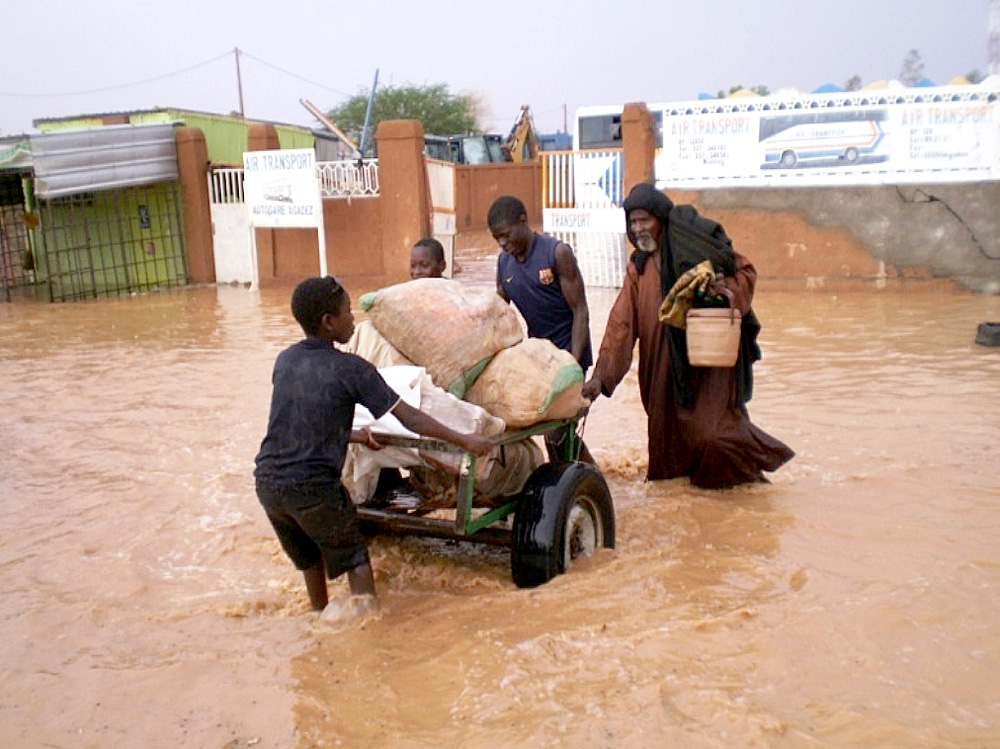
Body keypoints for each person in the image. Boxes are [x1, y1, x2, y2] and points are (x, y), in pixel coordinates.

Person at [254, 276, 491, 616]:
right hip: (313, 486)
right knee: (355, 557)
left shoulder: (286, 361)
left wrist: (357, 435)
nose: (353, 320)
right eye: (347, 313)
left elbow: (300, 425)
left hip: (268, 484)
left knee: (310, 562)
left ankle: (317, 619)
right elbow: (410, 417)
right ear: (328, 322)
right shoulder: (351, 369)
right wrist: (465, 439)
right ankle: (370, 633)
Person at [581, 183, 793, 488]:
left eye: (645, 221)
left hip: (707, 370)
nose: (638, 228)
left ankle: (739, 488)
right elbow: (621, 325)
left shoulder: (696, 247)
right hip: (660, 374)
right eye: (633, 222)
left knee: (716, 434)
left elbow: (745, 272)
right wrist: (601, 377)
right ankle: (686, 501)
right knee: (668, 449)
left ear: (661, 220)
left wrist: (726, 289)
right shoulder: (637, 269)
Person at [487, 195, 594, 462]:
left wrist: (572, 362)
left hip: (570, 350)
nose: (502, 243)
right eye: (496, 238)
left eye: (506, 235)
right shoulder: (504, 263)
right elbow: (499, 310)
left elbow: (580, 311)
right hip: (538, 358)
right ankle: (585, 481)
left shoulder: (556, 253)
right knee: (545, 431)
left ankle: (583, 486)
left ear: (523, 221)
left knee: (557, 436)